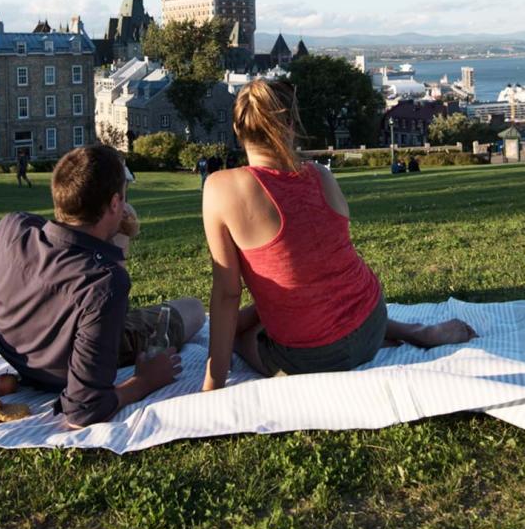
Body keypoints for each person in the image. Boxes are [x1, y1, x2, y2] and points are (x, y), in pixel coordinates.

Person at [199, 80, 476, 390]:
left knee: (237, 335)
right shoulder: (321, 175)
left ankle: (409, 332)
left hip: (312, 358)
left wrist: (213, 383)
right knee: (303, 295)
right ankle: (413, 331)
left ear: (238, 129)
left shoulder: (221, 188)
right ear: (290, 125)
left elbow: (227, 293)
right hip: (372, 322)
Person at [0, 145, 205, 426]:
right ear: (115, 204)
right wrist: (144, 381)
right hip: (61, 369)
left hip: (21, 357)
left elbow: (61, 238)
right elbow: (83, 409)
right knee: (193, 309)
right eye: (123, 199)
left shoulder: (11, 228)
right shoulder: (103, 282)